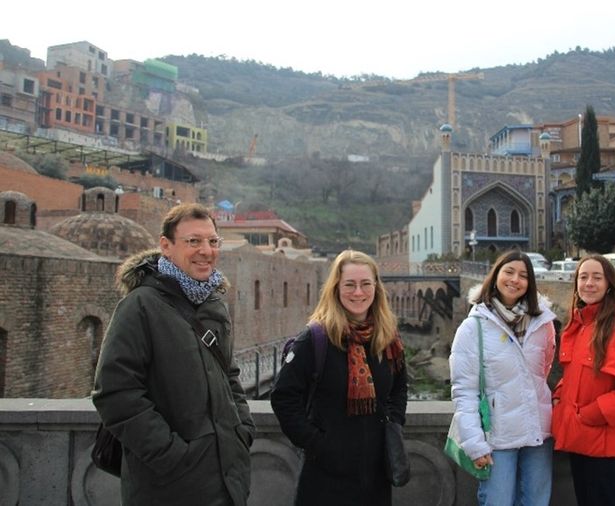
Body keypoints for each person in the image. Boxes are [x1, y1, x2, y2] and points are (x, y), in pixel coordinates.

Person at [92, 203, 254, 506]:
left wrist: (242, 430)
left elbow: (229, 375)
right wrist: (172, 455)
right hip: (167, 486)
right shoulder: (140, 306)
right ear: (166, 246)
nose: (206, 250)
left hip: (227, 479)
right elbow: (115, 393)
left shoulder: (213, 305)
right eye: (193, 241)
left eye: (213, 241)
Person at [271, 250, 408, 505]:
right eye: (349, 285)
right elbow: (283, 398)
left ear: (376, 288)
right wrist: (318, 445)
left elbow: (399, 387)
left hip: (376, 477)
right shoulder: (315, 339)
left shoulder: (387, 338)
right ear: (336, 288)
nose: (358, 292)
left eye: (366, 284)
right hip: (325, 479)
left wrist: (393, 424)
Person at [449, 250, 556, 506]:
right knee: (498, 501)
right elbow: (464, 390)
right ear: (495, 275)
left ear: (530, 283)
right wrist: (474, 444)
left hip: (537, 431)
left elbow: (544, 371)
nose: (515, 279)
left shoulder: (543, 324)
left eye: (523, 275)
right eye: (509, 272)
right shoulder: (474, 327)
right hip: (498, 436)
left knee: (537, 501)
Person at [551, 254, 615, 506]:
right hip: (581, 439)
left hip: (610, 446)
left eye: (597, 277)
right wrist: (559, 396)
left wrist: (589, 415)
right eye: (583, 277)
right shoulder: (581, 323)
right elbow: (573, 374)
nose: (589, 283)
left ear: (609, 285)